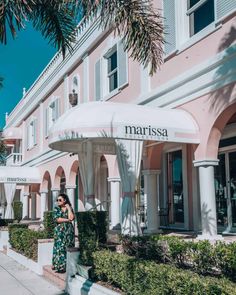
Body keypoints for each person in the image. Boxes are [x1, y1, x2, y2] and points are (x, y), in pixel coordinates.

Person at [52, 193, 75, 273]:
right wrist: (67, 220)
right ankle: (59, 267)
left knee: (69, 247)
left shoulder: (69, 208)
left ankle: (69, 266)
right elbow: (57, 219)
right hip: (59, 231)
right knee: (59, 248)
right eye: (57, 200)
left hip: (68, 231)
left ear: (65, 200)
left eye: (60, 200)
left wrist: (68, 208)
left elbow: (71, 217)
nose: (58, 201)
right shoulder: (56, 209)